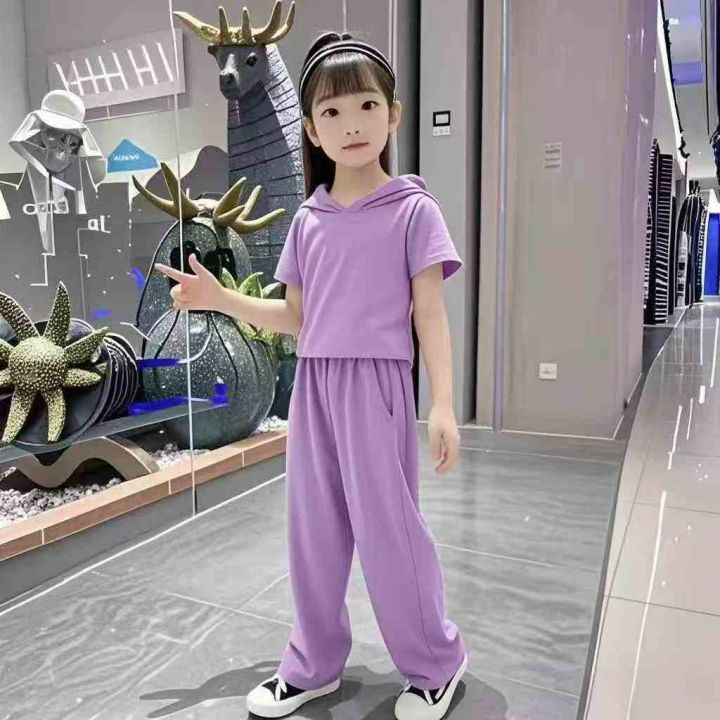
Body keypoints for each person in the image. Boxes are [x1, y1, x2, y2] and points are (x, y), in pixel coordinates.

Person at [154, 31, 467, 720]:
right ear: (312, 129)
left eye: (366, 105)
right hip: (315, 388)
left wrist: (443, 404)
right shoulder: (308, 220)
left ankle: (435, 663)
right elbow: (296, 317)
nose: (351, 124)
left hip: (377, 389)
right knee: (313, 533)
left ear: (393, 114)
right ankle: (314, 663)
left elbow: (431, 315)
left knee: (390, 534)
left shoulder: (413, 211)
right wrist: (220, 298)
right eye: (331, 111)